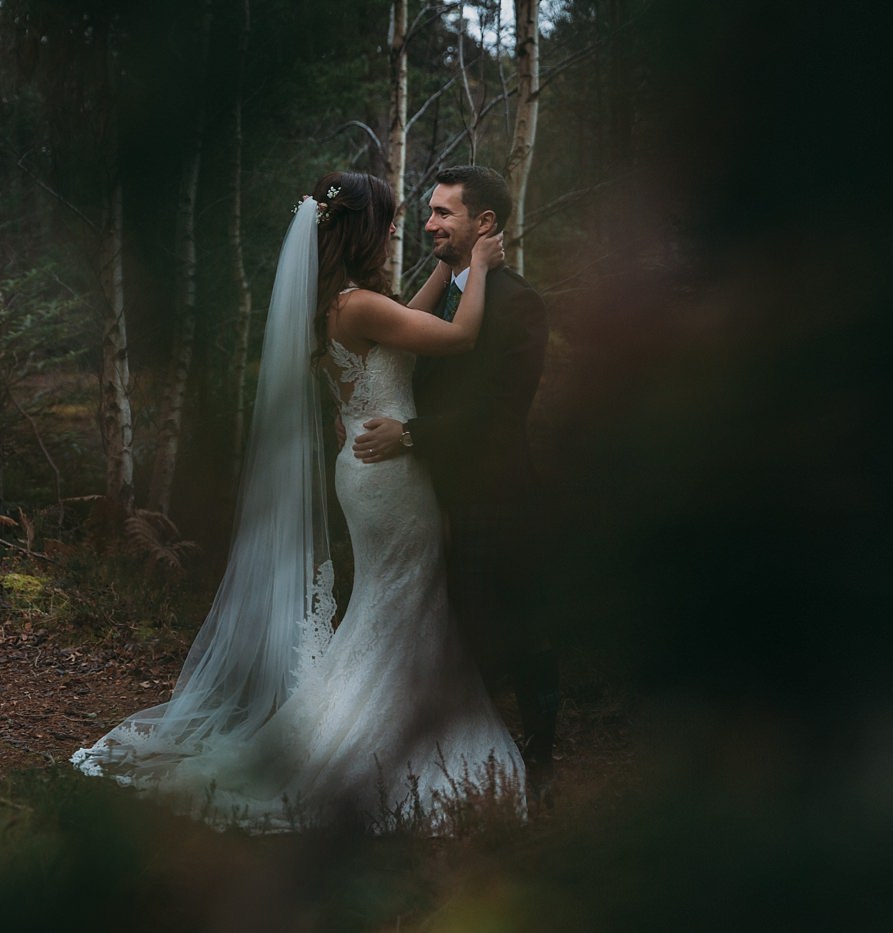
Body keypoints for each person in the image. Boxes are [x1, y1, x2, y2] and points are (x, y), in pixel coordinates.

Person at [71, 171, 523, 831]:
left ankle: (381, 722)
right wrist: (478, 267)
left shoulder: (338, 304)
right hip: (391, 476)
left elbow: (407, 323)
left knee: (388, 602)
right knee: (399, 603)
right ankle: (380, 738)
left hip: (363, 471)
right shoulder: (361, 306)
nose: (402, 231)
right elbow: (459, 336)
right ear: (366, 231)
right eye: (393, 223)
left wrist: (438, 273)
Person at [351, 165, 559, 774]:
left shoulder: (519, 305)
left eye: (445, 212)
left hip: (492, 498)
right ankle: (450, 755)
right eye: (430, 211)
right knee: (445, 630)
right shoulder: (442, 293)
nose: (430, 222)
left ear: (484, 222)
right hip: (420, 495)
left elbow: (499, 414)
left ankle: (537, 760)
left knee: (514, 629)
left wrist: (410, 434)